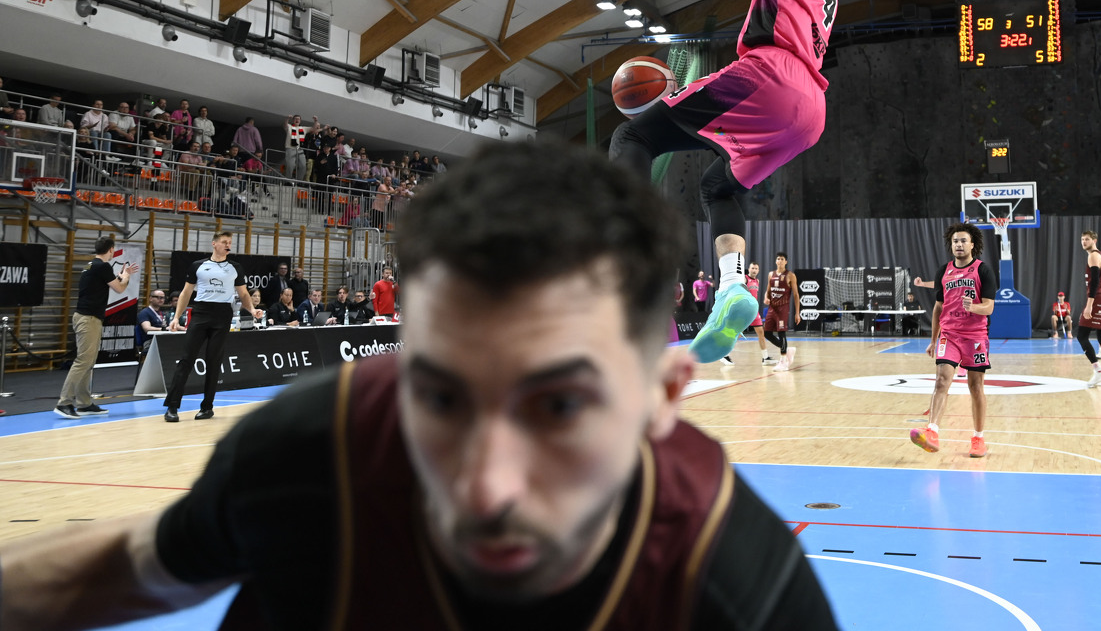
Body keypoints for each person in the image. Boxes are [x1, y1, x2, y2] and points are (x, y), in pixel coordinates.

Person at [0, 140, 839, 630]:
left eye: (558, 407)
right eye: (440, 397)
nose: (486, 486)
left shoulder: (730, 578)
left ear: (664, 397)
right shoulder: (317, 447)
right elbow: (131, 568)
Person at [609, 0, 837, 364]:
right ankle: (732, 288)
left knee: (634, 138)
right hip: (808, 114)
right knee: (718, 187)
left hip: (772, 76)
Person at [910, 224, 997, 458]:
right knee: (941, 381)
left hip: (975, 336)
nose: (959, 244)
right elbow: (939, 307)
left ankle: (978, 438)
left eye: (963, 241)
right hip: (949, 335)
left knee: (975, 387)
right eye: (955, 241)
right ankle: (932, 432)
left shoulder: (983, 270)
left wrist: (974, 307)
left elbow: (989, 307)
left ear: (972, 244)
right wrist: (933, 339)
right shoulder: (944, 271)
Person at [162, 231, 260, 422]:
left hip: (222, 315)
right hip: (200, 312)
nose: (228, 245)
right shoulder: (198, 265)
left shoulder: (235, 267)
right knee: (186, 359)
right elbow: (186, 293)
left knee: (214, 362)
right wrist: (177, 317)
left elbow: (243, 294)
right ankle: (172, 406)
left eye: (230, 242)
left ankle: (207, 407)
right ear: (214, 244)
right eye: (224, 242)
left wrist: (252, 309)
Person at [55, 237, 137, 419]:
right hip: (89, 319)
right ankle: (64, 402)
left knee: (88, 362)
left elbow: (106, 283)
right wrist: (126, 277)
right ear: (111, 249)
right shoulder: (103, 266)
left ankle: (84, 403)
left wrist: (120, 277)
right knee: (83, 361)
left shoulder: (91, 265)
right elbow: (119, 289)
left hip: (86, 317)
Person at [1077, 230, 1101, 387]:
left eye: (1087, 239)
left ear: (1094, 240)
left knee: (1082, 336)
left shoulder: (1093, 255)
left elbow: (1094, 283)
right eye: (1082, 239)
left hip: (1099, 298)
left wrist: (1089, 304)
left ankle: (1098, 371)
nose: (1084, 242)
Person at [763, 253, 798, 372]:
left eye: (782, 259)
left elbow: (796, 295)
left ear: (786, 262)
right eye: (778, 259)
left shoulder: (790, 275)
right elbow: (768, 290)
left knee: (781, 333)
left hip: (783, 308)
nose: (780, 261)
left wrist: (797, 313)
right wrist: (766, 298)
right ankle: (787, 350)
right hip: (772, 308)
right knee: (767, 333)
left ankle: (783, 362)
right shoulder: (771, 274)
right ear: (776, 261)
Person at [745, 261, 775, 366]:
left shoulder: (757, 280)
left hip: (754, 310)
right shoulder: (744, 279)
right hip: (745, 309)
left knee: (761, 332)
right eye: (752, 268)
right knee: (739, 334)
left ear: (758, 270)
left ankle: (765, 358)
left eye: (756, 268)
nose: (754, 270)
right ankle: (725, 354)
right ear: (749, 269)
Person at [136, 289, 167, 356]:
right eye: (158, 297)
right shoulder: (145, 312)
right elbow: (147, 328)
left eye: (163, 298)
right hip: (150, 342)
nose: (161, 300)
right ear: (150, 298)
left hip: (162, 340)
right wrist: (163, 329)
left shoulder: (162, 313)